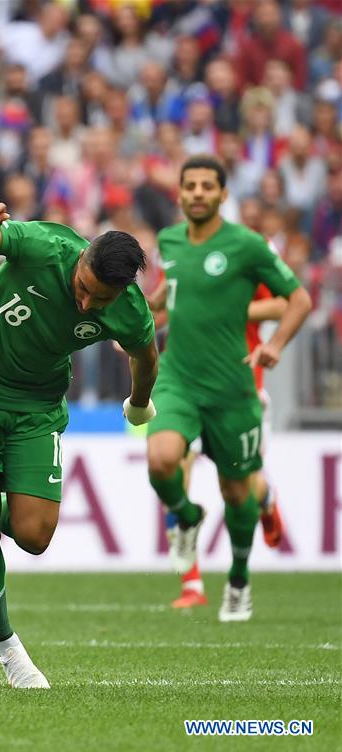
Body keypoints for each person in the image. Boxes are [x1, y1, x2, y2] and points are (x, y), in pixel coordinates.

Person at [0, 192, 159, 688]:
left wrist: (139, 403)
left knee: (34, 536)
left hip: (35, 406)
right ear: (82, 257)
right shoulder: (41, 245)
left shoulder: (129, 310)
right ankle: (8, 650)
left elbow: (146, 355)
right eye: (83, 287)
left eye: (101, 300)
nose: (86, 304)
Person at [146, 155, 312, 622]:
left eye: (207, 186)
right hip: (178, 378)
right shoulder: (169, 240)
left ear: (223, 194)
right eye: (190, 185)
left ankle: (238, 580)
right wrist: (139, 321)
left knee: (238, 492)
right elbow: (167, 296)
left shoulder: (247, 245)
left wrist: (274, 344)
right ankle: (187, 518)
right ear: (179, 193)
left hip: (234, 388)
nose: (197, 193)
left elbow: (298, 299)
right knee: (161, 461)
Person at [164, 283, 288, 610]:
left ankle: (266, 497)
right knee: (173, 473)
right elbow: (170, 309)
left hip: (239, 389)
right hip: (187, 387)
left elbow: (284, 305)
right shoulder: (176, 251)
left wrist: (226, 307)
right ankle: (191, 584)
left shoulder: (246, 253)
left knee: (239, 487)